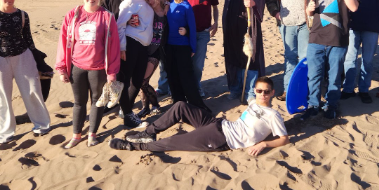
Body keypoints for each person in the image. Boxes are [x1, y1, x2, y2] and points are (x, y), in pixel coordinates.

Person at [180, 0, 269, 103]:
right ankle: (235, 88)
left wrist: (254, 1)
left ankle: (250, 91)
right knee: (234, 53)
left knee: (252, 54)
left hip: (251, 21)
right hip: (231, 19)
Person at [108, 76, 289, 155]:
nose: (262, 94)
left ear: (272, 93)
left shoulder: (273, 115)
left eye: (266, 92)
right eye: (259, 91)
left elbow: (284, 139)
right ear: (255, 91)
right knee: (180, 106)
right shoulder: (253, 102)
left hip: (222, 138)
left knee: (175, 141)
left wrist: (265, 143)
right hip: (219, 124)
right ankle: (149, 132)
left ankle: (133, 146)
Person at [0, 0, 51, 144]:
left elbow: (29, 40)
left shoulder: (22, 15)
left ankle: (42, 125)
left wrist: (39, 62)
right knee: (3, 98)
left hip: (23, 57)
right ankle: (5, 133)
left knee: (33, 91)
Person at [55, 0, 120, 148]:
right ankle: (76, 135)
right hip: (77, 67)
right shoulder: (73, 15)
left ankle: (92, 134)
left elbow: (114, 46)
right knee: (79, 102)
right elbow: (64, 42)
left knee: (97, 102)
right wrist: (62, 68)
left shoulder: (107, 16)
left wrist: (112, 72)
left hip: (98, 69)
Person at [300, 0, 359, 120]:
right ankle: (313, 105)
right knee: (314, 75)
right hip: (317, 37)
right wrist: (309, 9)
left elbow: (354, 7)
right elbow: (310, 11)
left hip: (338, 39)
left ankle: (331, 105)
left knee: (334, 76)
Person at [266, 0, 321, 100]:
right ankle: (288, 90)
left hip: (306, 23)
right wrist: (276, 13)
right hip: (286, 24)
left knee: (305, 58)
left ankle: (304, 90)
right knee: (289, 57)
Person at [165, 0, 211, 112]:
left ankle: (197, 105)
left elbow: (192, 26)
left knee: (187, 77)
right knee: (173, 76)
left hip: (183, 47)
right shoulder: (167, 5)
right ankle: (179, 104)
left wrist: (193, 47)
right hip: (169, 46)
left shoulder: (186, 6)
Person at [116, 0, 155, 128]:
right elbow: (120, 23)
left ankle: (126, 109)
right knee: (125, 81)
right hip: (131, 43)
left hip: (143, 46)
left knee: (137, 81)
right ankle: (128, 115)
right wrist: (122, 46)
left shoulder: (146, 2)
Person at [183, 0, 219, 97]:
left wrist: (216, 22)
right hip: (186, 32)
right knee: (186, 62)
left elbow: (215, 7)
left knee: (198, 64)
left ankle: (196, 86)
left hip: (204, 32)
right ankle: (187, 87)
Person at [136, 0, 169, 118]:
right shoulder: (148, 12)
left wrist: (166, 4)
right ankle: (146, 107)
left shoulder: (167, 11)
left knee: (143, 81)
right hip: (144, 49)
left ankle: (155, 105)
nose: (150, 1)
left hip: (157, 51)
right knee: (142, 81)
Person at [155, 0, 176, 96]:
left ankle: (175, 87)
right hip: (160, 31)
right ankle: (163, 88)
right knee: (163, 62)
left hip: (176, 30)